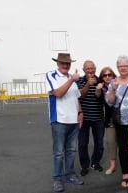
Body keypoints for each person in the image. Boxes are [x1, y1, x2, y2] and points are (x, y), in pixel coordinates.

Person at [45, 53, 84, 192]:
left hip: (73, 120)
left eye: (67, 63)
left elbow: (76, 97)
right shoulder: (51, 75)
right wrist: (72, 80)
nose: (65, 65)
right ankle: (57, 179)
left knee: (71, 150)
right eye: (63, 63)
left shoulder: (71, 78)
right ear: (57, 63)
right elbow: (58, 93)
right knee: (58, 152)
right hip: (59, 120)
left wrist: (80, 113)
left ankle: (70, 174)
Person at [106, 55, 128, 188]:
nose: (123, 68)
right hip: (121, 121)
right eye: (120, 66)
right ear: (117, 68)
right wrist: (113, 90)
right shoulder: (113, 82)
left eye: (125, 66)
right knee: (124, 148)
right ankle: (126, 174)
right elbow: (110, 101)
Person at [76, 60, 105, 176]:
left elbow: (102, 99)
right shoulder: (79, 81)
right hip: (84, 117)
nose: (90, 70)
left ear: (95, 69)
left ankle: (95, 162)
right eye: (87, 68)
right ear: (84, 70)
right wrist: (88, 83)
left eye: (92, 68)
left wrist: (100, 89)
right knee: (82, 143)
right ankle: (84, 165)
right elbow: (80, 95)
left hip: (98, 117)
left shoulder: (101, 80)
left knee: (99, 143)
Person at [96, 67, 118, 175]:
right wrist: (98, 89)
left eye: (110, 74)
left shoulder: (119, 84)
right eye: (105, 75)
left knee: (125, 143)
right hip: (109, 119)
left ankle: (126, 164)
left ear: (113, 75)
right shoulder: (101, 87)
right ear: (102, 77)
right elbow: (98, 97)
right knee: (110, 142)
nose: (108, 77)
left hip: (122, 118)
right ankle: (112, 165)